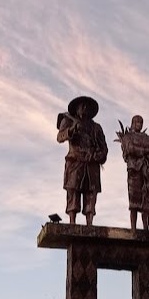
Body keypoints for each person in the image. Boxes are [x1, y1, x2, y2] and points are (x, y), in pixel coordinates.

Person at [57, 96, 108, 225]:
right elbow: (60, 136)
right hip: (75, 162)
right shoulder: (68, 121)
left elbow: (104, 149)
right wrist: (72, 130)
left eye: (87, 106)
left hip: (91, 165)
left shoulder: (97, 128)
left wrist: (96, 156)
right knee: (73, 191)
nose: (84, 109)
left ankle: (89, 221)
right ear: (77, 108)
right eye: (82, 106)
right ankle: (72, 221)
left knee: (91, 193)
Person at [117, 115, 149, 231]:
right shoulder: (128, 137)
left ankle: (146, 228)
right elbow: (130, 149)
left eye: (141, 122)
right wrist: (144, 151)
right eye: (136, 122)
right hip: (134, 170)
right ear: (133, 123)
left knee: (147, 200)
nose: (139, 124)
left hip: (147, 171)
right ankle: (133, 228)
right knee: (134, 199)